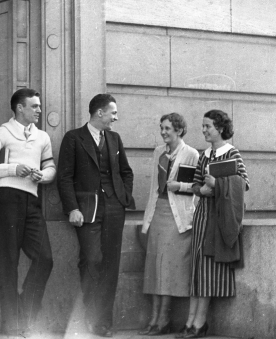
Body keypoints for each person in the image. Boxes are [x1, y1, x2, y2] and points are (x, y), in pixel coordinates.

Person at [0, 88, 56, 336]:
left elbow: (50, 166)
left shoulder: (42, 137)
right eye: (34, 106)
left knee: (45, 258)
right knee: (8, 262)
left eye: (39, 106)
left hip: (31, 200)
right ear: (20, 108)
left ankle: (26, 312)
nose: (39, 110)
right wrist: (13, 169)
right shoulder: (2, 132)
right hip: (7, 198)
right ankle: (13, 324)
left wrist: (43, 176)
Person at [57, 93, 135, 337]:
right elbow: (64, 177)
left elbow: (126, 172)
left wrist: (122, 197)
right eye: (113, 112)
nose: (116, 117)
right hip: (87, 210)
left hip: (114, 209)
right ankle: (90, 315)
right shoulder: (73, 138)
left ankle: (102, 322)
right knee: (92, 260)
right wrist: (73, 208)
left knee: (110, 265)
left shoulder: (114, 138)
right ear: (99, 113)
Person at [185, 110, 249, 338]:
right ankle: (190, 322)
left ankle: (199, 323)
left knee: (208, 270)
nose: (203, 130)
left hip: (219, 219)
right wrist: (200, 189)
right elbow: (195, 184)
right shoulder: (205, 154)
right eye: (203, 126)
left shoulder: (232, 153)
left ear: (220, 128)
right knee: (197, 269)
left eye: (207, 126)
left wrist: (218, 183)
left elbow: (243, 184)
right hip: (202, 216)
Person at [139, 113, 199, 336]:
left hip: (177, 217)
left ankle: (163, 319)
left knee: (167, 269)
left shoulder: (191, 153)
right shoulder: (158, 152)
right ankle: (154, 319)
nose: (163, 132)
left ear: (179, 131)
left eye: (167, 129)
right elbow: (155, 188)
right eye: (161, 128)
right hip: (158, 213)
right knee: (154, 267)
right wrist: (148, 218)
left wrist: (179, 186)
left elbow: (197, 186)